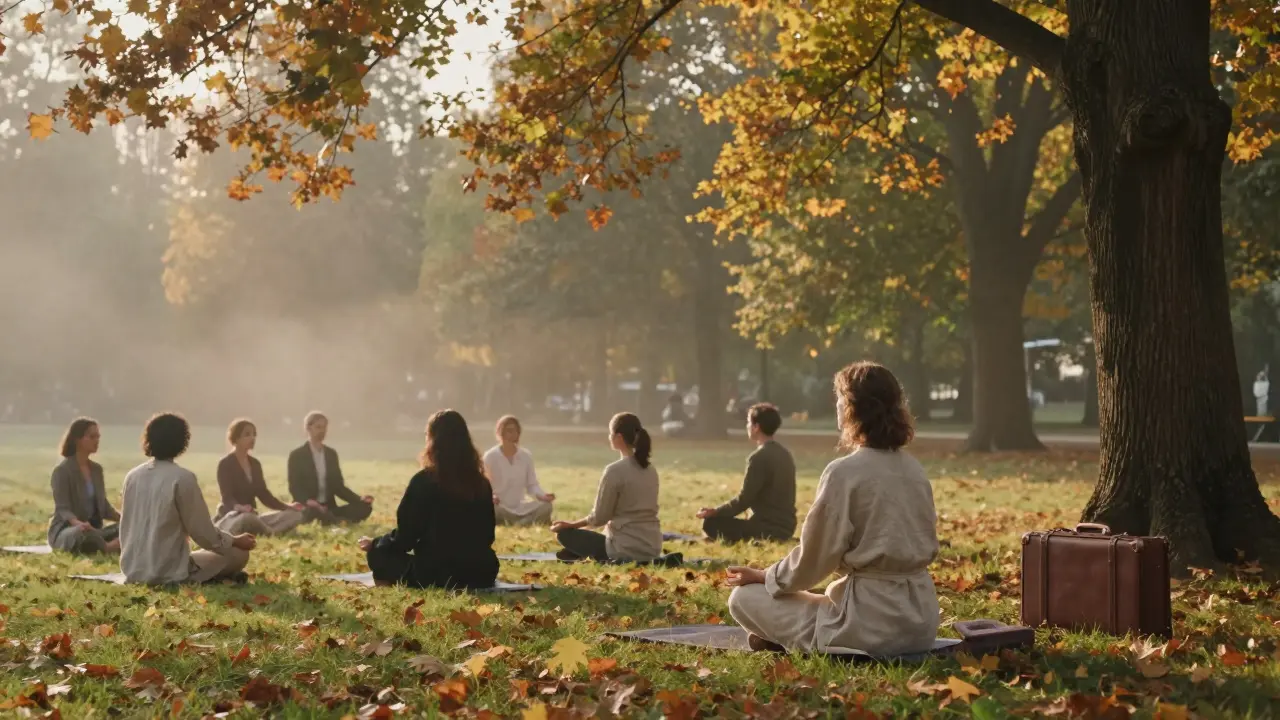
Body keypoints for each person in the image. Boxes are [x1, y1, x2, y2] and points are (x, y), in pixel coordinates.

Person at [725, 361, 939, 656]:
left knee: (742, 597)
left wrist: (764, 576)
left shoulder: (844, 472)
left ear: (852, 407)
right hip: (921, 624)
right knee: (811, 598)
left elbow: (813, 561)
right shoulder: (915, 469)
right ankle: (785, 636)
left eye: (839, 398)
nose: (836, 405)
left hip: (868, 628)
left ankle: (790, 639)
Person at [359, 410, 499, 589]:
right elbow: (487, 535)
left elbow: (405, 538)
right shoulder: (481, 483)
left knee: (379, 556)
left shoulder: (424, 481)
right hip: (481, 572)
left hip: (436, 573)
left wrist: (377, 544)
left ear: (433, 441)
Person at [119, 413, 257, 585]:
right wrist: (235, 540)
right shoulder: (183, 478)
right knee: (239, 553)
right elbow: (204, 535)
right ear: (183, 441)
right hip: (168, 571)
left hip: (133, 569)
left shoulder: (132, 476)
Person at [551, 413, 667, 564]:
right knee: (590, 537)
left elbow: (599, 517)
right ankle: (579, 553)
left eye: (610, 433)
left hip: (623, 548)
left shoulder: (614, 470)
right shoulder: (651, 470)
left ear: (618, 437)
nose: (609, 437)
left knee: (564, 535)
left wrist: (571, 525)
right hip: (652, 547)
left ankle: (583, 553)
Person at [697, 403, 796, 543]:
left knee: (711, 523)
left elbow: (744, 500)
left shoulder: (758, 458)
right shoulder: (785, 454)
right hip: (787, 527)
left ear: (757, 427)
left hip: (767, 528)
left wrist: (715, 512)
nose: (747, 426)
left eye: (749, 422)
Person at [213, 419, 305, 536]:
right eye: (247, 434)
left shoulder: (255, 464)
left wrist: (287, 506)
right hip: (233, 515)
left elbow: (264, 495)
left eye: (254, 435)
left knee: (295, 515)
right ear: (236, 438)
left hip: (253, 516)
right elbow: (227, 497)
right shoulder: (225, 464)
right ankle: (269, 531)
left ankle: (265, 530)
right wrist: (240, 507)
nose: (252, 438)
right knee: (246, 519)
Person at [47, 417, 121, 554]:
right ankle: (108, 547)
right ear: (77, 439)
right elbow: (63, 509)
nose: (97, 440)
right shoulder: (62, 471)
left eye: (98, 436)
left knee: (128, 527)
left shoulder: (96, 470)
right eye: (92, 437)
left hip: (95, 530)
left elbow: (104, 507)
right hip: (69, 530)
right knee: (82, 533)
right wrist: (78, 523)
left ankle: (104, 544)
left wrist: (126, 520)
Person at [287, 411, 373, 524]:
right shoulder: (297, 455)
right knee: (312, 512)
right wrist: (310, 502)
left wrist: (359, 499)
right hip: (309, 507)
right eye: (318, 427)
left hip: (329, 507)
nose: (322, 431)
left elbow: (339, 486)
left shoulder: (331, 454)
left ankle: (332, 519)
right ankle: (334, 520)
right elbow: (295, 487)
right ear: (308, 428)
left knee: (364, 507)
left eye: (324, 427)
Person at [482, 416, 555, 526]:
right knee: (488, 508)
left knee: (547, 506)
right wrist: (491, 497)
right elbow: (483, 485)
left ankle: (520, 523)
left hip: (521, 507)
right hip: (500, 507)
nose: (512, 435)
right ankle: (525, 523)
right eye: (509, 431)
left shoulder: (526, 456)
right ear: (500, 432)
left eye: (515, 431)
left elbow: (532, 485)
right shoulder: (490, 456)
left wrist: (543, 495)